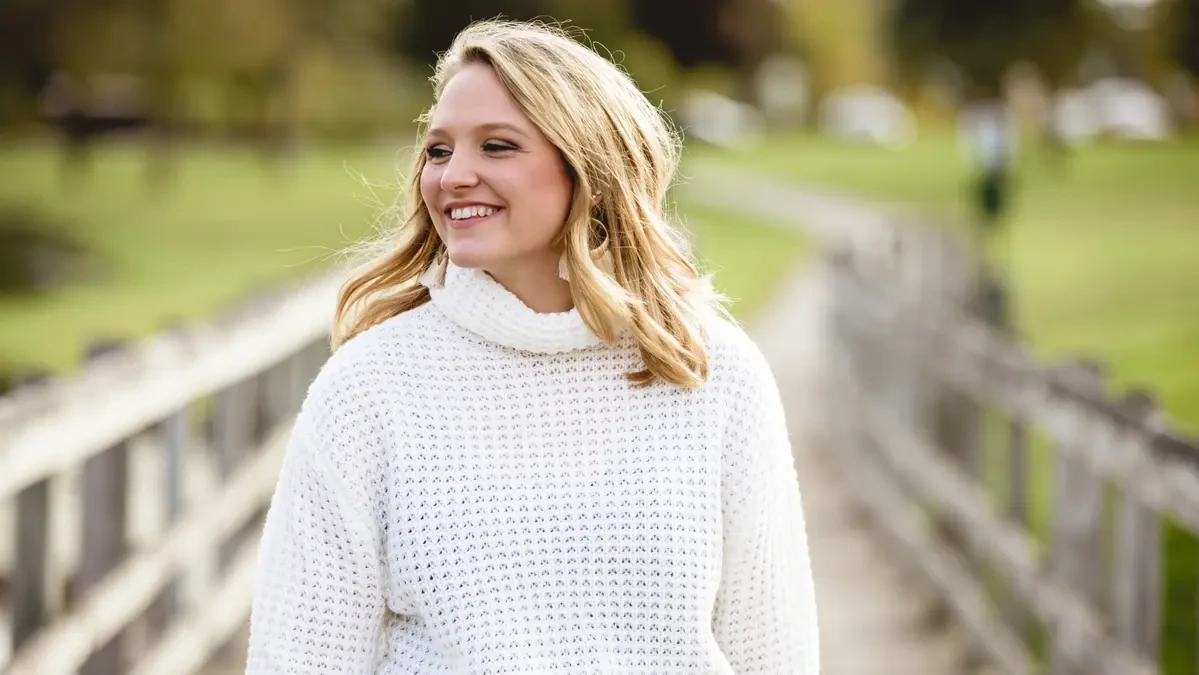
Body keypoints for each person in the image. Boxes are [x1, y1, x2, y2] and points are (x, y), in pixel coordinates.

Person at [244, 18, 819, 675]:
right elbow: (300, 657)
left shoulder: (710, 371)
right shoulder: (368, 388)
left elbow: (773, 653)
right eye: (437, 150)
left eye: (496, 146)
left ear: (589, 172)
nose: (454, 175)